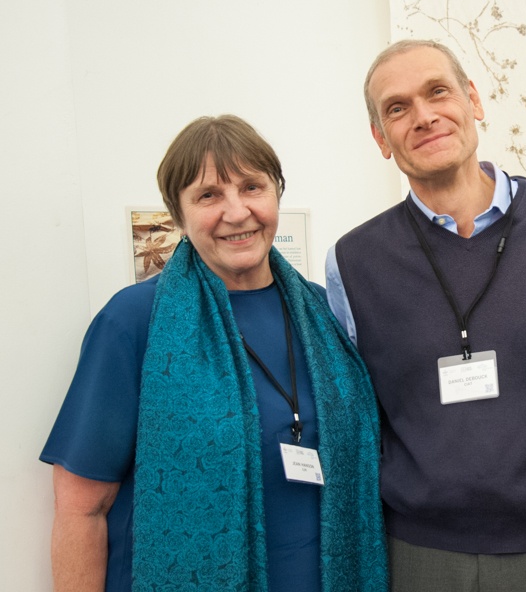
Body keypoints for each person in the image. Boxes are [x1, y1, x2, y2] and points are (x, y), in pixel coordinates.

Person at [41, 115, 387, 592]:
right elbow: (82, 507)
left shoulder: (324, 313)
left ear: (276, 195)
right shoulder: (134, 321)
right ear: (178, 214)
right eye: (208, 195)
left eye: (252, 187)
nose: (237, 211)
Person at [326, 39, 526, 592]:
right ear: (380, 138)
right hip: (417, 557)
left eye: (438, 92)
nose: (424, 116)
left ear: (474, 100)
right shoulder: (353, 262)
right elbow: (355, 425)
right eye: (397, 108)